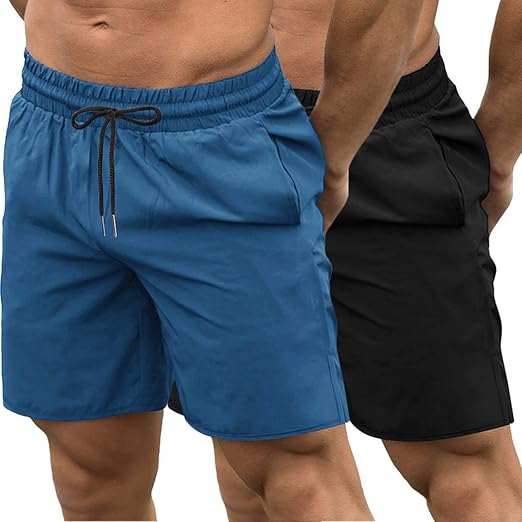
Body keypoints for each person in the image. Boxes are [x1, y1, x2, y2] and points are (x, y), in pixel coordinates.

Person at [2, 1, 427, 520]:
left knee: (296, 470)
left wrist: (334, 160)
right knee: (89, 474)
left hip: (220, 143)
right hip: (51, 130)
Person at [175, 0, 522, 520]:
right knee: (258, 463)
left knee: (462, 460)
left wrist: (501, 135)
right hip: (206, 121)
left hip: (387, 123)